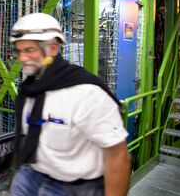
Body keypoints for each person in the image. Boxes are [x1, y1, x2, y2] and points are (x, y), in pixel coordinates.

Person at [8, 13, 131, 196]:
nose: (23, 58)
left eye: (30, 50)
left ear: (52, 49)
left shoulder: (86, 94)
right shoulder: (30, 90)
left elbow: (118, 156)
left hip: (75, 187)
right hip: (32, 174)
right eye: (19, 51)